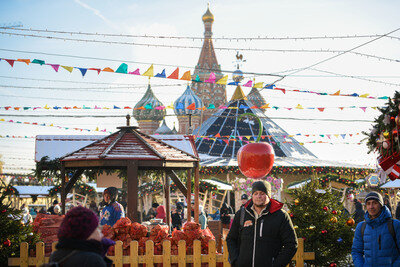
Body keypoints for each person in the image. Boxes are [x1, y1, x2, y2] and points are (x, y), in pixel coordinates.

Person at [226, 180, 298, 267]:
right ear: (252, 195)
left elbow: (291, 244)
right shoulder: (242, 214)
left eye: (262, 193)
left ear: (268, 195)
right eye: (255, 193)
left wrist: (276, 264)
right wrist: (235, 260)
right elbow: (231, 239)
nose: (258, 196)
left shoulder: (281, 216)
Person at [49, 206, 114, 267]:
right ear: (87, 233)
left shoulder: (55, 256)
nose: (101, 231)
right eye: (96, 227)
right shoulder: (92, 260)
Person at [352, 191, 400, 266]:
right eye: (368, 203)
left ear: (381, 205)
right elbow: (356, 251)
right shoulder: (361, 227)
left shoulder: (394, 225)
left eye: (375, 203)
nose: (371, 207)